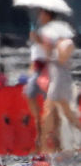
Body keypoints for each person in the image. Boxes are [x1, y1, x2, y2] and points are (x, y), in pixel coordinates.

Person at [39, 19, 81, 154]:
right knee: (52, 113)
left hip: (62, 82)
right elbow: (48, 59)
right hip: (55, 79)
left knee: (67, 114)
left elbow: (62, 59)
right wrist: (48, 48)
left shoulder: (68, 43)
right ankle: (47, 146)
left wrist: (54, 48)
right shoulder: (54, 44)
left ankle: (46, 147)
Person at [23, 9, 51, 152]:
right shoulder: (38, 29)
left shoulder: (52, 30)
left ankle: (46, 138)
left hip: (48, 68)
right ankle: (39, 124)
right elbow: (35, 53)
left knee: (49, 104)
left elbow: (50, 50)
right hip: (37, 68)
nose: (40, 17)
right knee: (29, 93)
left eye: (42, 14)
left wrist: (38, 39)